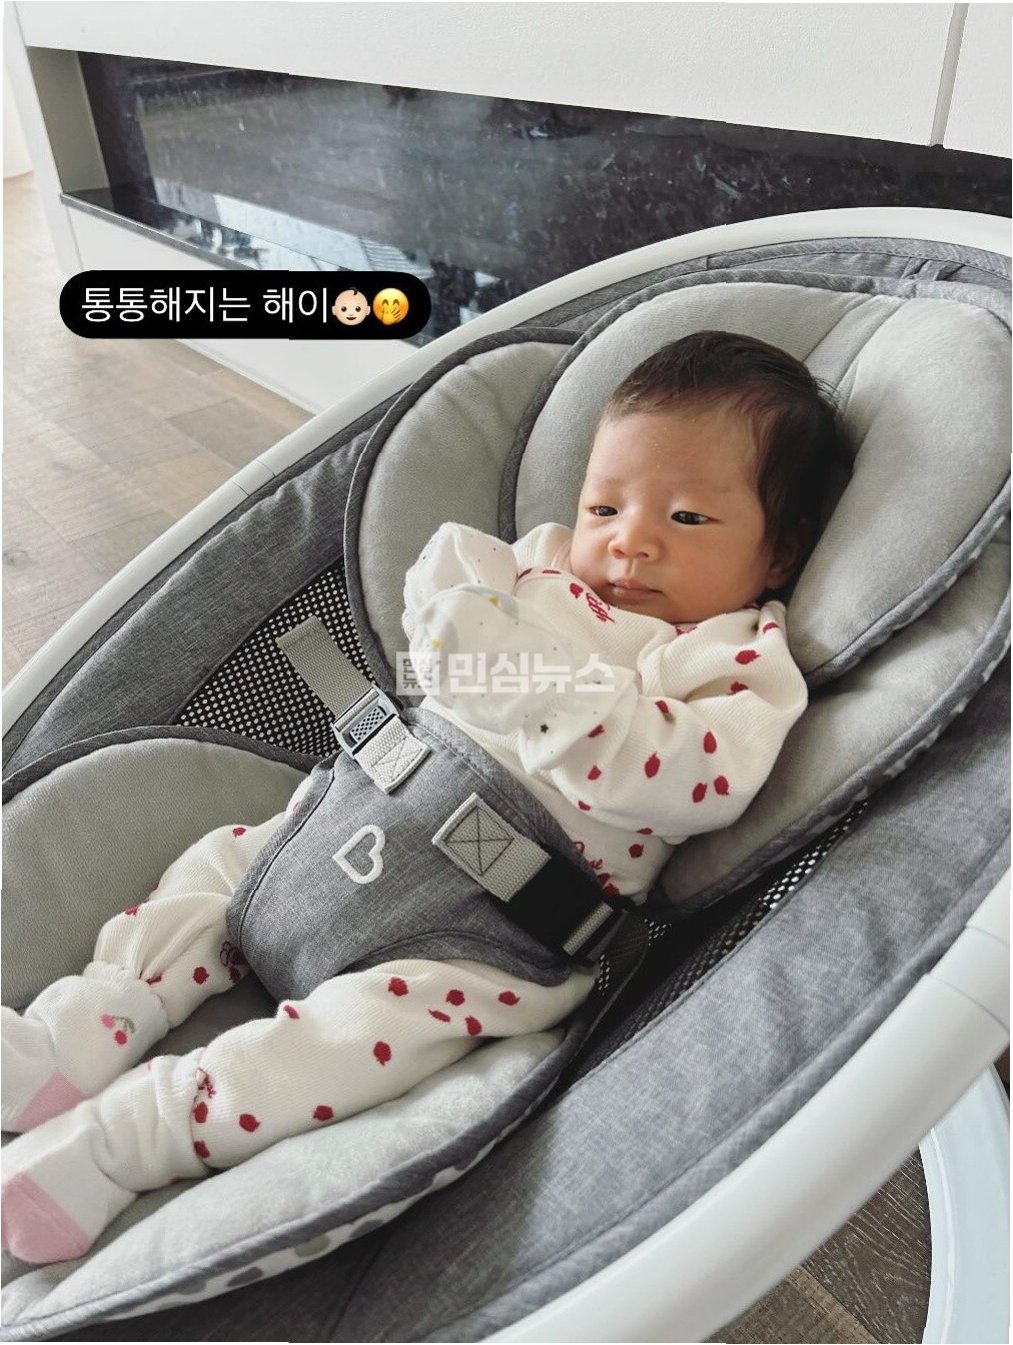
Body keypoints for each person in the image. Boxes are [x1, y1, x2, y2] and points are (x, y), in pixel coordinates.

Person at [0, 332, 848, 1265]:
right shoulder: (538, 564)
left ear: (779, 550)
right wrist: (462, 620)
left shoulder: (729, 659)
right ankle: (81, 1030)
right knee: (217, 869)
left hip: (485, 932)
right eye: (604, 504)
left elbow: (695, 782)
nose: (628, 540)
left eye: (685, 517)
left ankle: (125, 1140)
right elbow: (440, 605)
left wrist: (540, 690)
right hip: (353, 810)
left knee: (346, 1047)